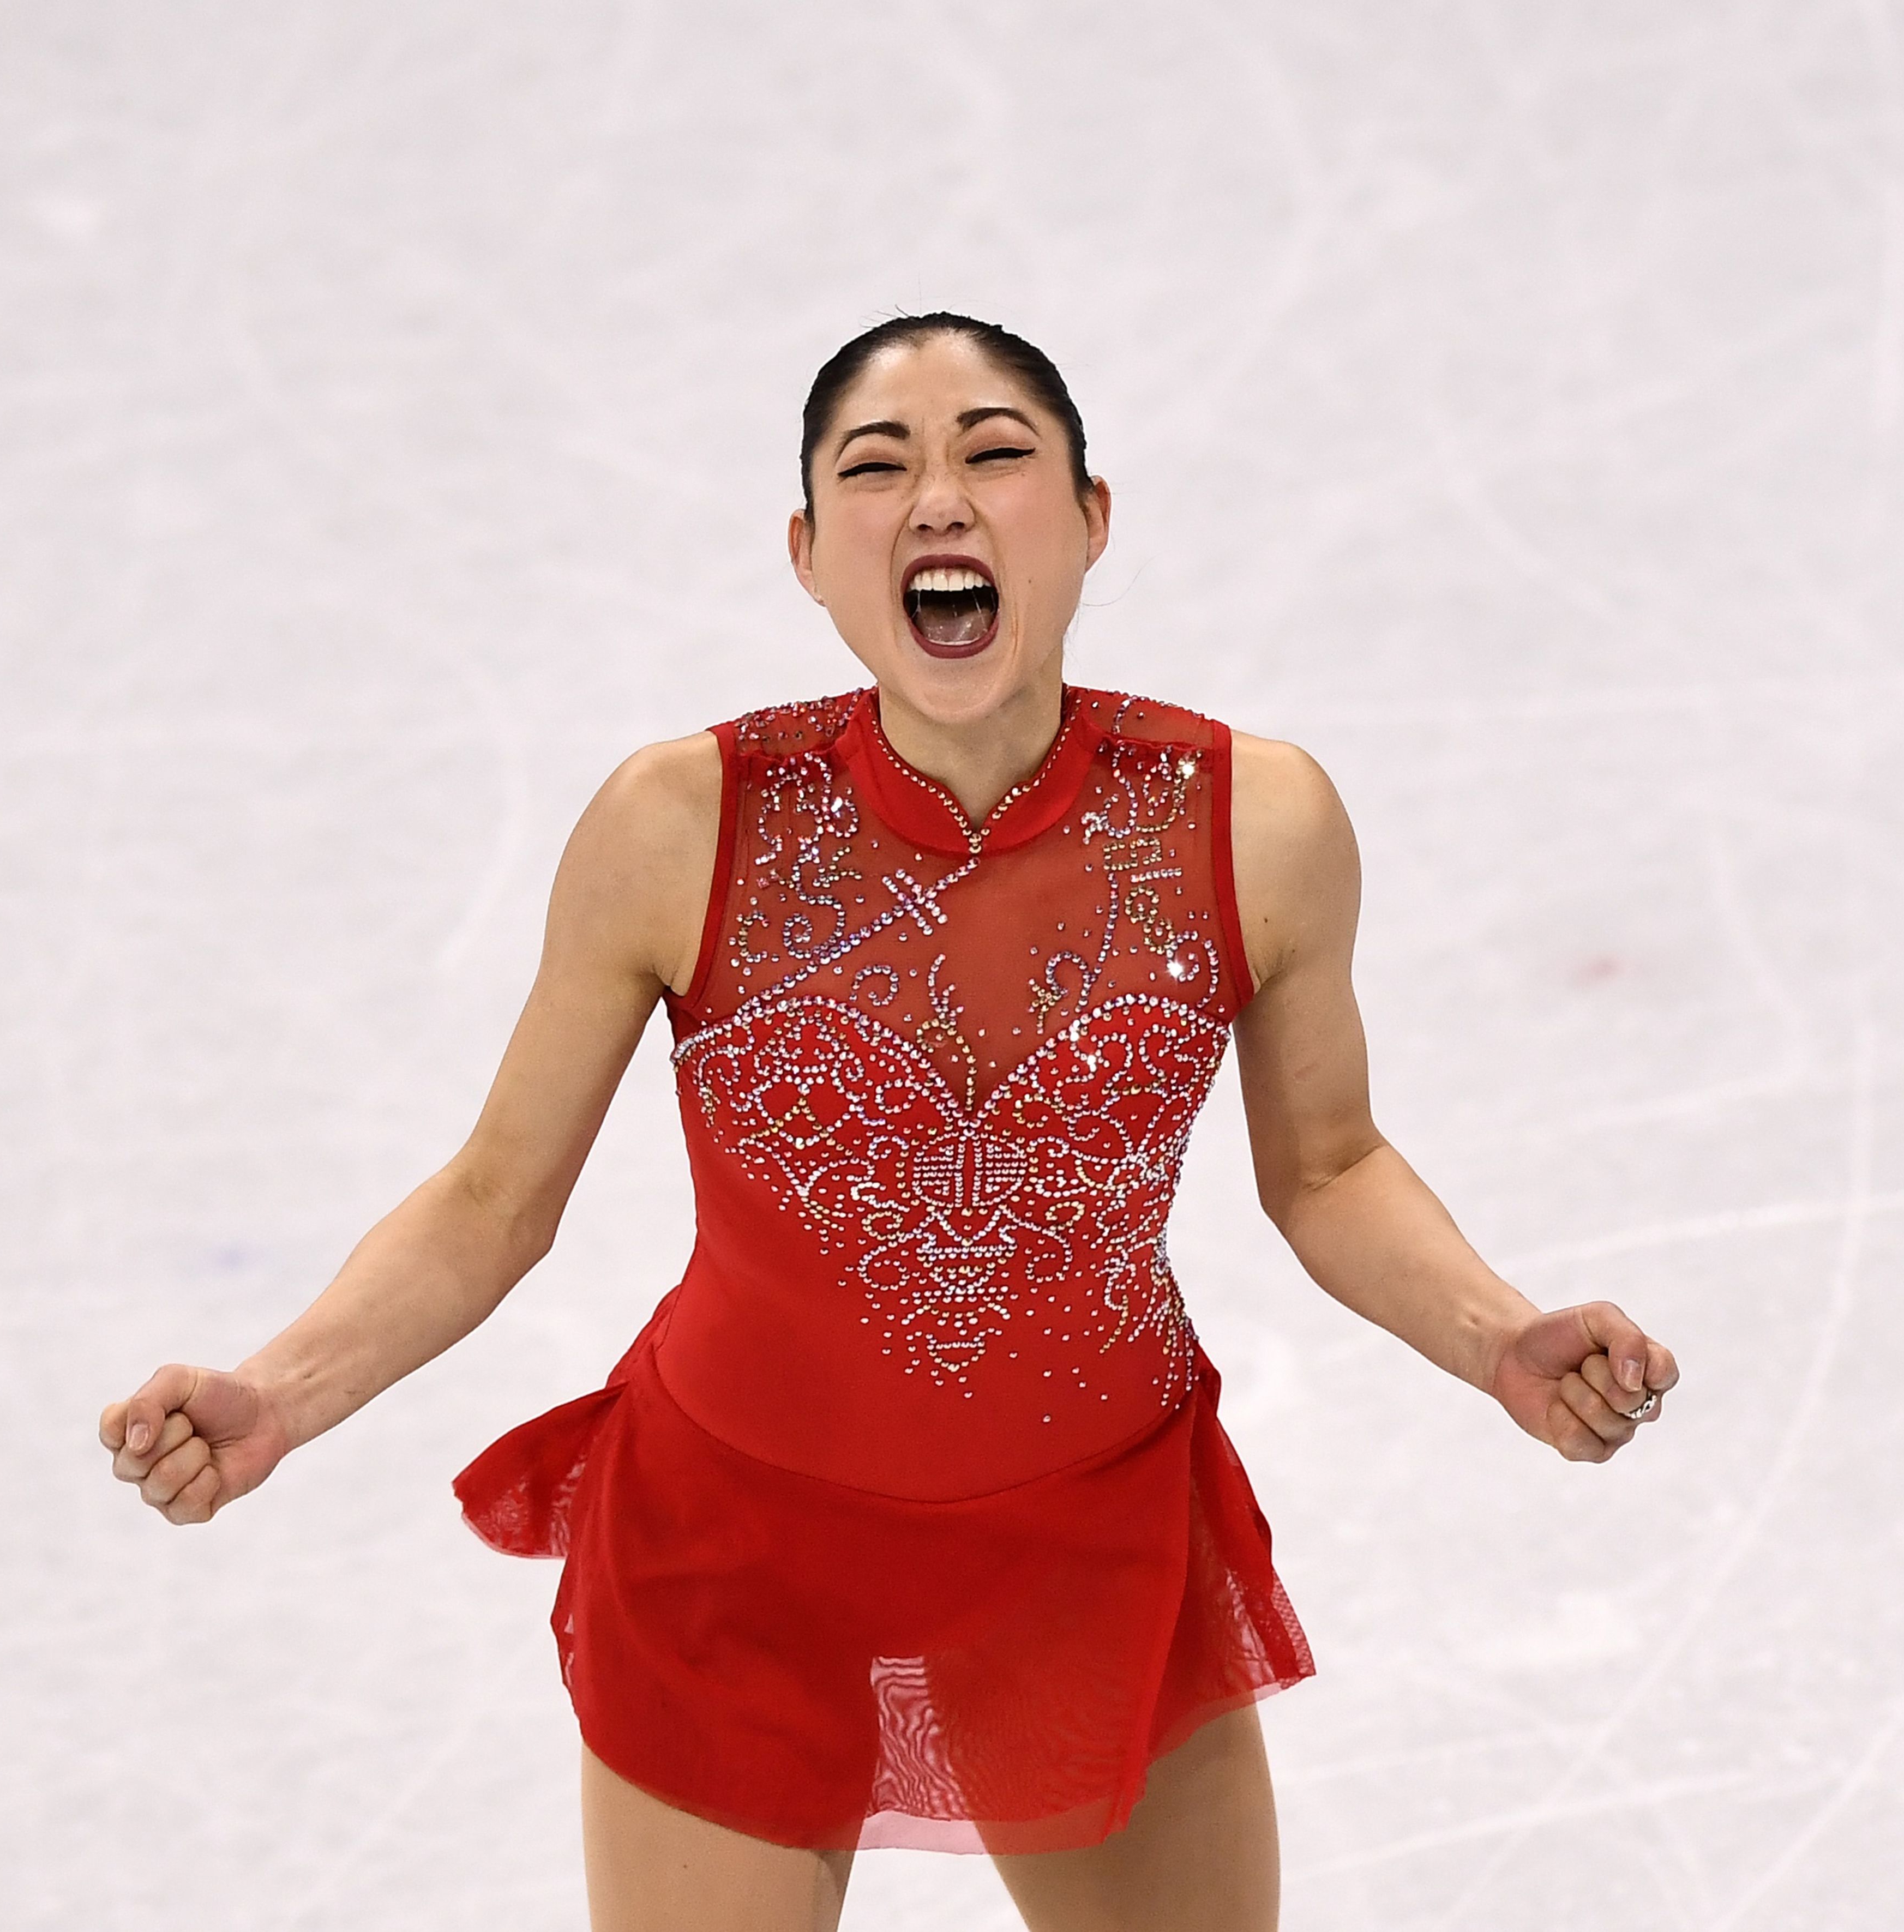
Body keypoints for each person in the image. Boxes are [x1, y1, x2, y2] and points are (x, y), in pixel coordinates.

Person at [98, 312, 1679, 1932]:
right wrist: (280, 1391)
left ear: (1089, 520)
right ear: (805, 551)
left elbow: (1330, 1167)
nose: (939, 498)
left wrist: (1498, 1335)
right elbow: (497, 1196)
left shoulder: (1250, 821)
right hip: (735, 1562)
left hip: (1091, 1555)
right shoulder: (680, 826)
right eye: (877, 467)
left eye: (995, 454)